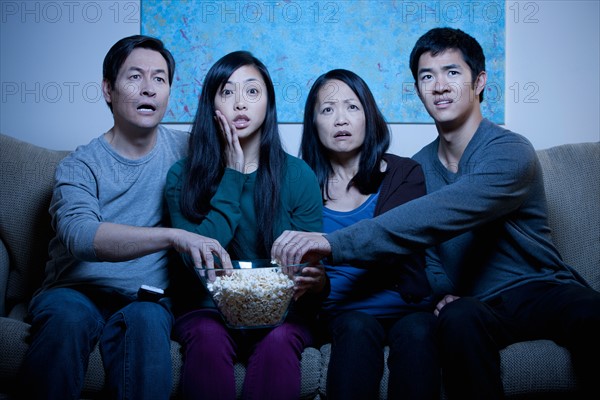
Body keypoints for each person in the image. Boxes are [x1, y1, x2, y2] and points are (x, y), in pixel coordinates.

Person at [272, 27, 600, 400]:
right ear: (418, 91)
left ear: (479, 82)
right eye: (428, 76)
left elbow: (440, 214)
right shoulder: (415, 170)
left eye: (452, 72)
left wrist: (332, 243)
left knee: (590, 310)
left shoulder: (510, 152)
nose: (440, 86)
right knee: (457, 323)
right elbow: (422, 251)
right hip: (476, 304)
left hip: (539, 289)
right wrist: (441, 295)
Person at [18, 35, 230, 400]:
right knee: (66, 320)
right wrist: (171, 236)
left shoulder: (191, 150)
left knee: (149, 323)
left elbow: (245, 175)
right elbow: (82, 236)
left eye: (159, 79)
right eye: (134, 77)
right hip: (75, 292)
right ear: (108, 90)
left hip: (146, 299)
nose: (148, 89)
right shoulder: (79, 165)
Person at [164, 50, 325, 400]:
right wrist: (234, 174)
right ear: (211, 104)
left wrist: (313, 279)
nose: (240, 103)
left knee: (279, 341)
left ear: (268, 103)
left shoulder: (298, 175)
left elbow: (314, 270)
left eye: (252, 92)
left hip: (283, 316)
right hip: (206, 312)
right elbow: (198, 260)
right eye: (227, 92)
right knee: (207, 337)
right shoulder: (182, 177)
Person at [299, 68, 440, 400]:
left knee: (420, 331)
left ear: (369, 116)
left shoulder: (405, 174)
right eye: (327, 109)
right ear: (314, 123)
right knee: (356, 326)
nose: (340, 120)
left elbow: (394, 241)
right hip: (339, 313)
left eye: (352, 107)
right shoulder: (301, 184)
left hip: (405, 307)